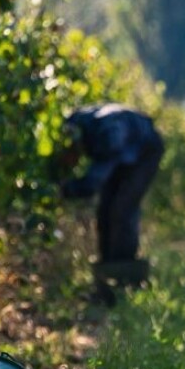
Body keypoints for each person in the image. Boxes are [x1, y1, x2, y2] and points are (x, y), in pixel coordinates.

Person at [59, 104, 164, 299]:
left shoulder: (107, 135)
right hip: (126, 151)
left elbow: (93, 183)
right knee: (105, 211)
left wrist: (65, 190)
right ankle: (107, 279)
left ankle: (126, 279)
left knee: (122, 209)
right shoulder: (77, 124)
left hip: (145, 152)